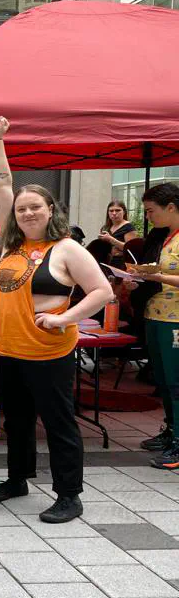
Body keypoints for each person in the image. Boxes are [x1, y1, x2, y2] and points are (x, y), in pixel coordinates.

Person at [0, 116, 112, 523]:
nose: (26, 212)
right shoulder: (13, 242)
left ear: (50, 209)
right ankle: (18, 478)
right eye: (21, 209)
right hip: (8, 348)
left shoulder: (67, 248)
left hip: (47, 351)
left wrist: (64, 320)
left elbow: (102, 292)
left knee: (58, 423)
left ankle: (68, 494)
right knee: (17, 420)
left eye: (34, 207)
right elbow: (1, 184)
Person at [131, 183, 179, 468]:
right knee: (161, 379)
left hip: (175, 319)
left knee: (175, 382)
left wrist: (156, 277)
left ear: (171, 207)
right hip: (156, 314)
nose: (148, 216)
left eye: (151, 211)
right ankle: (171, 432)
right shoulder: (165, 236)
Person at [98, 200, 138, 267]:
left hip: (122, 265)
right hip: (106, 263)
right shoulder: (105, 228)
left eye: (117, 210)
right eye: (111, 211)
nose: (114, 213)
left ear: (124, 212)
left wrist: (111, 239)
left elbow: (131, 249)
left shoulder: (128, 227)